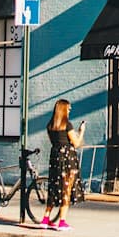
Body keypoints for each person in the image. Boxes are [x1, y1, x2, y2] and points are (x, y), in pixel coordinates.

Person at [41, 98, 86, 230]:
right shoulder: (67, 125)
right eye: (68, 108)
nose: (70, 110)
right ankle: (62, 221)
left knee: (54, 188)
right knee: (66, 188)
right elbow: (76, 143)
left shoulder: (50, 125)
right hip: (68, 158)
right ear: (63, 109)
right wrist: (81, 131)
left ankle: (45, 219)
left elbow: (53, 142)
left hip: (55, 157)